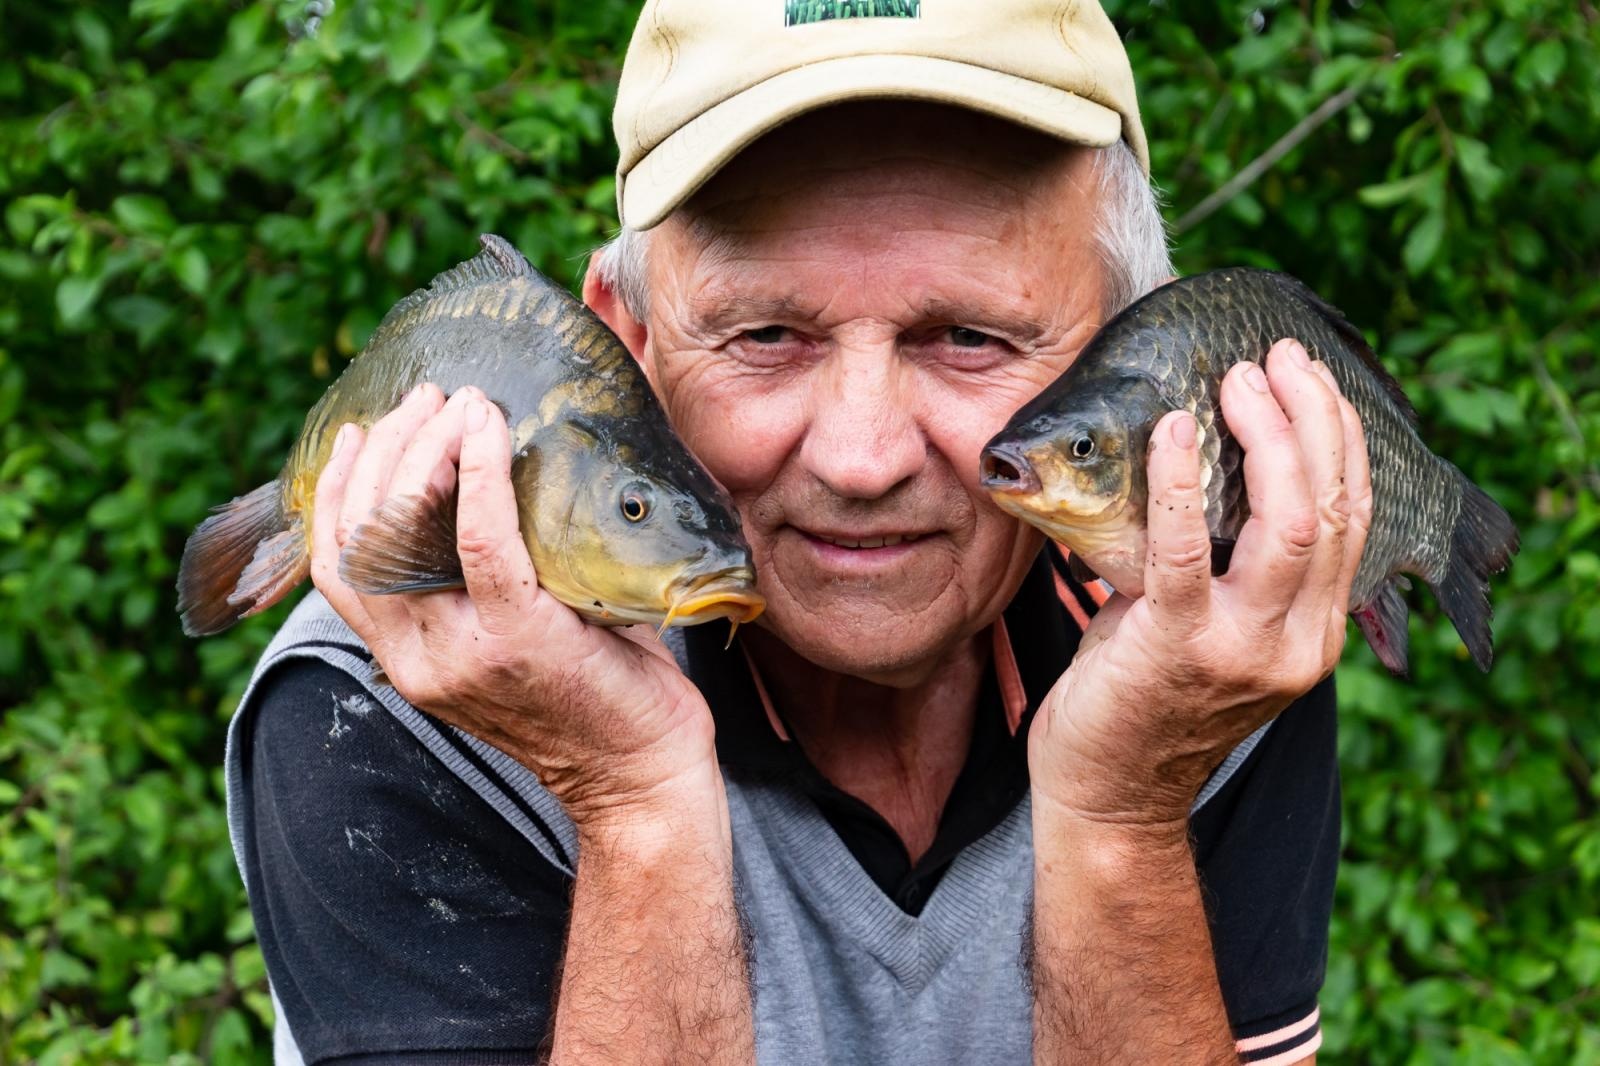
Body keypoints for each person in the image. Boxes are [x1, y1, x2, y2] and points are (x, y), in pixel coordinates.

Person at [224, 1, 1368, 1062]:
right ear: (627, 347)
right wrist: (631, 801)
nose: (861, 459)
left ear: (1130, 358)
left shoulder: (1217, 640)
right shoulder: (402, 693)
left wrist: (1122, 813)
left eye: (968, 337)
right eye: (765, 336)